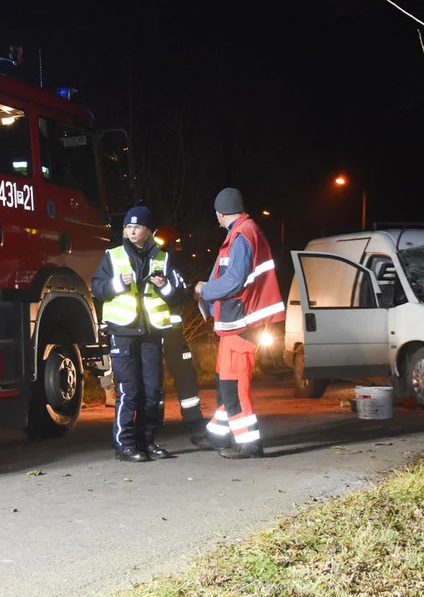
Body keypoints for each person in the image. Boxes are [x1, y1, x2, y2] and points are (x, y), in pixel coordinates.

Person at [192, 188, 286, 459]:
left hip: (241, 325)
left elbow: (234, 280)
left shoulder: (242, 235)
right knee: (225, 385)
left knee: (234, 390)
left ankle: (249, 445)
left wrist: (204, 290)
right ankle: (217, 436)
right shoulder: (245, 231)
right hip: (238, 324)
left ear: (220, 214)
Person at [91, 207, 182, 462]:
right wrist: (118, 282)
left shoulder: (163, 258)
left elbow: (179, 294)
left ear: (148, 232)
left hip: (151, 332)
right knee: (130, 391)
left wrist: (165, 287)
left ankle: (147, 441)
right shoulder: (113, 256)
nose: (132, 231)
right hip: (124, 332)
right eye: (128, 227)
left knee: (152, 391)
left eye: (137, 227)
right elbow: (97, 288)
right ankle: (125, 446)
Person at [152, 225, 207, 432]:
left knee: (153, 376)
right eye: (176, 244)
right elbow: (180, 293)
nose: (178, 248)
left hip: (152, 333)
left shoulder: (147, 263)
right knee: (184, 374)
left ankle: (154, 420)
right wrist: (192, 290)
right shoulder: (168, 266)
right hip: (170, 332)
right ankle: (192, 418)